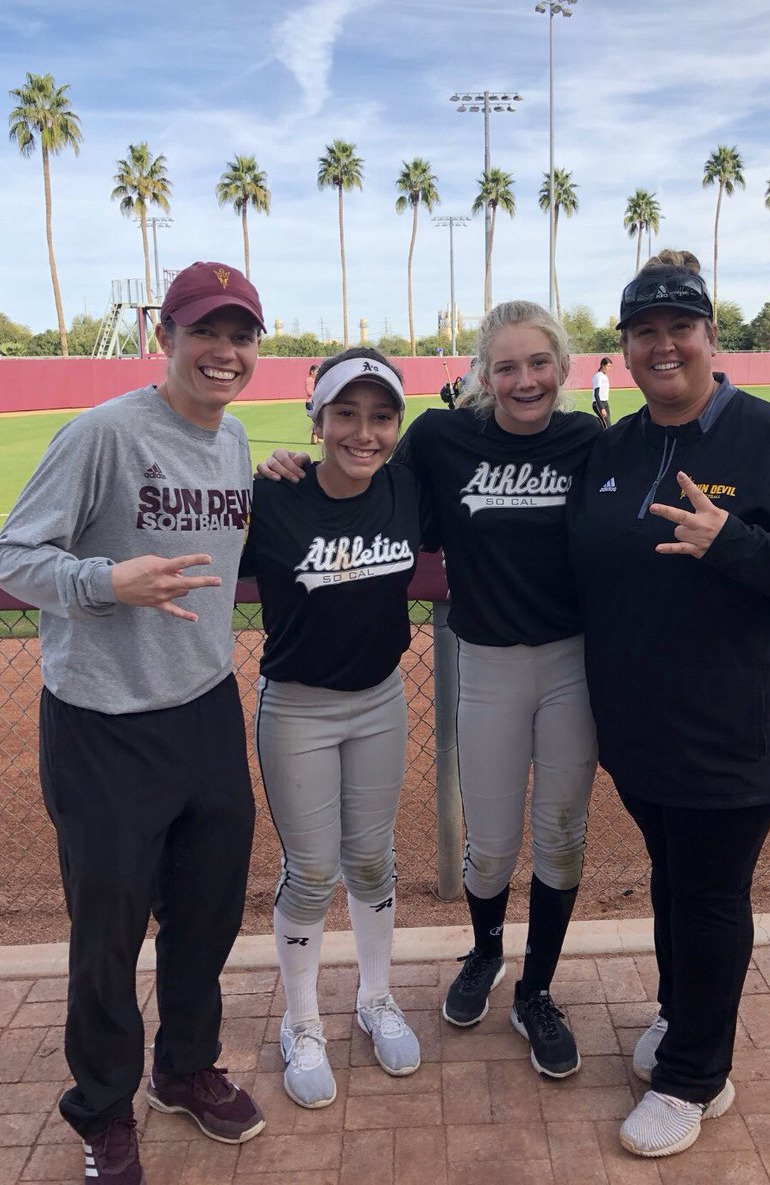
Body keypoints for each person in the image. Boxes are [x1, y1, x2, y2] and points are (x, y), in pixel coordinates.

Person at [566, 250, 770, 1159]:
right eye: (644, 332)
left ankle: (694, 1077)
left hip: (738, 729)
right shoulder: (618, 447)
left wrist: (736, 543)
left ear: (710, 337)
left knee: (709, 896)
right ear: (625, 350)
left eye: (681, 329)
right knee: (676, 884)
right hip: (640, 730)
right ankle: (682, 1020)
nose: (663, 346)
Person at [257, 302, 601, 1080]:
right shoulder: (441, 440)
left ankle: (536, 991)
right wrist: (284, 467)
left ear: (563, 368)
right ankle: (483, 953)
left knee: (562, 834)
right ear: (482, 374)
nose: (523, 379)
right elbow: (357, 475)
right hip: (484, 661)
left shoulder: (588, 441)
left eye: (538, 363)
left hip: (572, 662)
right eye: (505, 366)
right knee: (491, 846)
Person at [0, 261, 268, 1185]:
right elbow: (15, 558)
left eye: (239, 336)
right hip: (103, 725)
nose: (223, 353)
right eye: (205, 332)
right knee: (106, 935)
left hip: (204, 711)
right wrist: (106, 583)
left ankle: (184, 1068)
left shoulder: (233, 446)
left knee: (205, 916)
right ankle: (102, 1107)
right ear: (168, 337)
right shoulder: (104, 433)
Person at [242, 348, 423, 1109]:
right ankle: (302, 1020)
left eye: (382, 416)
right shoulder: (273, 495)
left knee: (374, 862)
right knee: (313, 872)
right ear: (315, 420)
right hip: (299, 709)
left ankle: (375, 998)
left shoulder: (409, 489)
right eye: (345, 413)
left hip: (380, 699)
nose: (364, 432)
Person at [592, 356, 612, 427]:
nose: (609, 368)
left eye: (610, 366)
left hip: (605, 402)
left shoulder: (604, 376)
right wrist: (601, 408)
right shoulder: (598, 376)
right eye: (608, 366)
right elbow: (596, 394)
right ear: (603, 365)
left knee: (607, 425)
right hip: (598, 403)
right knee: (608, 425)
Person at [305, 364, 320, 444]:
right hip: (310, 403)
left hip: (314, 402)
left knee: (317, 419)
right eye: (317, 372)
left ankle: (315, 438)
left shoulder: (316, 381)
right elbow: (309, 392)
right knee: (316, 419)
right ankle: (315, 437)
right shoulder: (309, 380)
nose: (318, 373)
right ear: (312, 371)